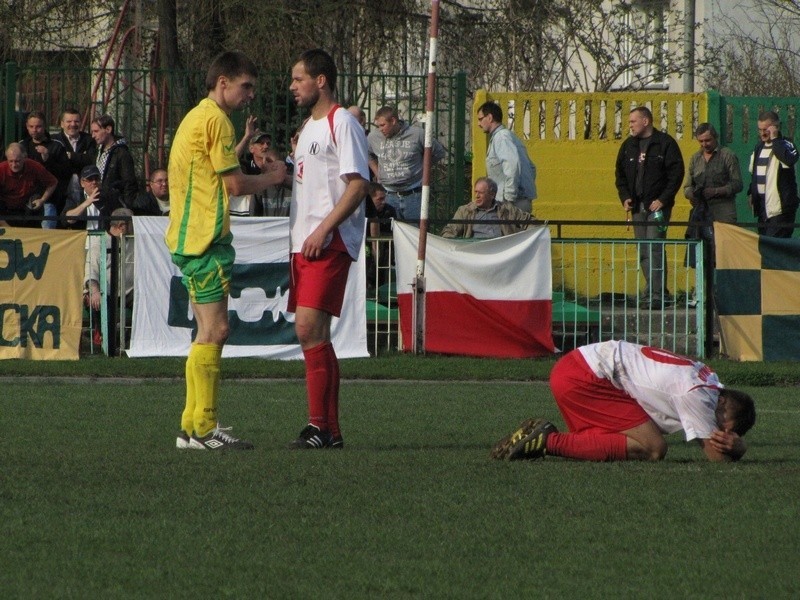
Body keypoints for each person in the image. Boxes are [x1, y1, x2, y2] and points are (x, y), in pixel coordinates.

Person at [166, 51, 286, 451]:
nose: (249, 95)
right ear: (223, 83)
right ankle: (204, 427)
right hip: (204, 240)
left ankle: (190, 427)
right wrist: (272, 176)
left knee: (204, 332)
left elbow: (213, 170)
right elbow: (234, 186)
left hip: (190, 239)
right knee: (216, 331)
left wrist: (245, 146)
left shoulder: (199, 116)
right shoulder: (216, 119)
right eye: (245, 86)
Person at [287, 48, 370, 449]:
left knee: (307, 327)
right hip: (302, 243)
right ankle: (330, 431)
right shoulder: (307, 128)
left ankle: (319, 426)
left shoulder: (343, 122)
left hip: (328, 241)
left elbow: (358, 184)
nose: (292, 87)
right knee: (313, 333)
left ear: (320, 80)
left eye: (298, 79)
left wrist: (323, 230)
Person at [491, 340, 756, 463]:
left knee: (611, 440)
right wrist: (738, 449)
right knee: (653, 448)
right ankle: (547, 441)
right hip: (585, 377)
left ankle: (553, 441)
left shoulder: (710, 379)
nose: (719, 433)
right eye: (725, 428)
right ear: (722, 407)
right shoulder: (698, 395)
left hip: (580, 368)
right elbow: (714, 456)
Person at [615, 106, 684, 309]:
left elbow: (676, 175)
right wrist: (625, 197)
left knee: (655, 247)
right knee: (644, 250)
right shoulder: (628, 146)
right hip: (637, 207)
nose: (630, 126)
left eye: (633, 122)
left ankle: (657, 294)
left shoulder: (665, 144)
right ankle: (652, 291)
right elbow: (619, 175)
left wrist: (663, 199)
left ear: (646, 121)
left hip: (658, 208)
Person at [683, 123, 743, 287]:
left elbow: (737, 184)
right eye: (701, 141)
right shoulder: (695, 158)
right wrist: (692, 194)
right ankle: (702, 289)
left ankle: (727, 289)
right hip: (700, 210)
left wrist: (716, 191)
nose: (704, 145)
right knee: (700, 252)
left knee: (725, 251)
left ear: (715, 138)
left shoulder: (727, 155)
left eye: (707, 140)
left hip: (723, 209)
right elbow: (687, 186)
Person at [367, 105, 445, 221]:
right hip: (388, 195)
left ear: (393, 120)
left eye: (383, 125)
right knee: (389, 233)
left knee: (415, 233)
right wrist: (377, 173)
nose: (380, 129)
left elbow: (438, 152)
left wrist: (424, 167)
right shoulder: (374, 137)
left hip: (413, 194)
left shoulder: (417, 134)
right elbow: (367, 154)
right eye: (378, 126)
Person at [84, 207, 135, 347]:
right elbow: (91, 273)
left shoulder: (134, 241)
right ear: (121, 226)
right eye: (131, 223)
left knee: (147, 298)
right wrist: (95, 291)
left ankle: (135, 338)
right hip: (104, 292)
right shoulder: (98, 244)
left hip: (130, 291)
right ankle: (103, 336)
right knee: (96, 299)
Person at [476, 101, 537, 213]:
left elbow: (512, 165)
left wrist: (508, 200)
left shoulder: (501, 137)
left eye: (480, 119)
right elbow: (532, 168)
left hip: (511, 204)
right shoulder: (509, 136)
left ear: (489, 117)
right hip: (520, 201)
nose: (478, 124)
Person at [747, 110, 799, 238]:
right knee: (765, 246)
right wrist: (752, 193)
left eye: (766, 129)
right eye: (760, 129)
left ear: (776, 127)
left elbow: (789, 160)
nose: (763, 133)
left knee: (776, 247)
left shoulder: (786, 144)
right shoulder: (759, 148)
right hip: (763, 208)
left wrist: (775, 139)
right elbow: (755, 174)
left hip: (780, 209)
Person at [18, 110, 71, 228]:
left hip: (49, 199)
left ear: (44, 126)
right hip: (26, 199)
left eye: (38, 126)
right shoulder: (22, 145)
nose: (34, 130)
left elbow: (65, 172)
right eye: (31, 126)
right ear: (26, 126)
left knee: (47, 233)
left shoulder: (56, 145)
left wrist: (48, 158)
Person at [441, 176, 533, 239]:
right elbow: (449, 231)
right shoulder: (465, 211)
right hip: (476, 255)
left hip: (502, 254)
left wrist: (534, 238)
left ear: (492, 194)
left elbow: (530, 222)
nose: (476, 196)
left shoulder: (507, 209)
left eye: (480, 193)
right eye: (475, 192)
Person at [0, 143, 58, 228]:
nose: (14, 165)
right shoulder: (1, 169)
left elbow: (53, 183)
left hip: (28, 208)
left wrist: (42, 200)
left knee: (45, 207)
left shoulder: (34, 166)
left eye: (17, 161)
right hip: (6, 209)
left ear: (24, 157)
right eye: (11, 161)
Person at [52, 107, 96, 214]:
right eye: (69, 121)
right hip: (60, 187)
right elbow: (55, 163)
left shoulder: (89, 140)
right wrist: (81, 157)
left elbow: (92, 160)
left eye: (76, 121)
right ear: (62, 124)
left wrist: (71, 155)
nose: (73, 124)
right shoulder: (54, 140)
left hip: (83, 187)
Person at [90, 114, 139, 209]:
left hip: (115, 203)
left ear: (108, 129)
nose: (93, 135)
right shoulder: (98, 150)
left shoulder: (121, 153)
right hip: (100, 201)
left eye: (96, 131)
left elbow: (129, 182)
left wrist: (127, 206)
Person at [63, 165, 122, 230]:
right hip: (83, 238)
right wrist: (86, 203)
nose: (94, 182)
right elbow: (67, 220)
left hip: (103, 238)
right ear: (82, 183)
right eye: (90, 179)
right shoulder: (76, 197)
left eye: (96, 179)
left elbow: (119, 218)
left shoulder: (109, 197)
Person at [365, 182, 396, 290]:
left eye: (384, 199)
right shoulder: (363, 211)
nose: (383, 202)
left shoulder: (390, 211)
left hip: (384, 247)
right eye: (379, 199)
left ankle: (382, 287)